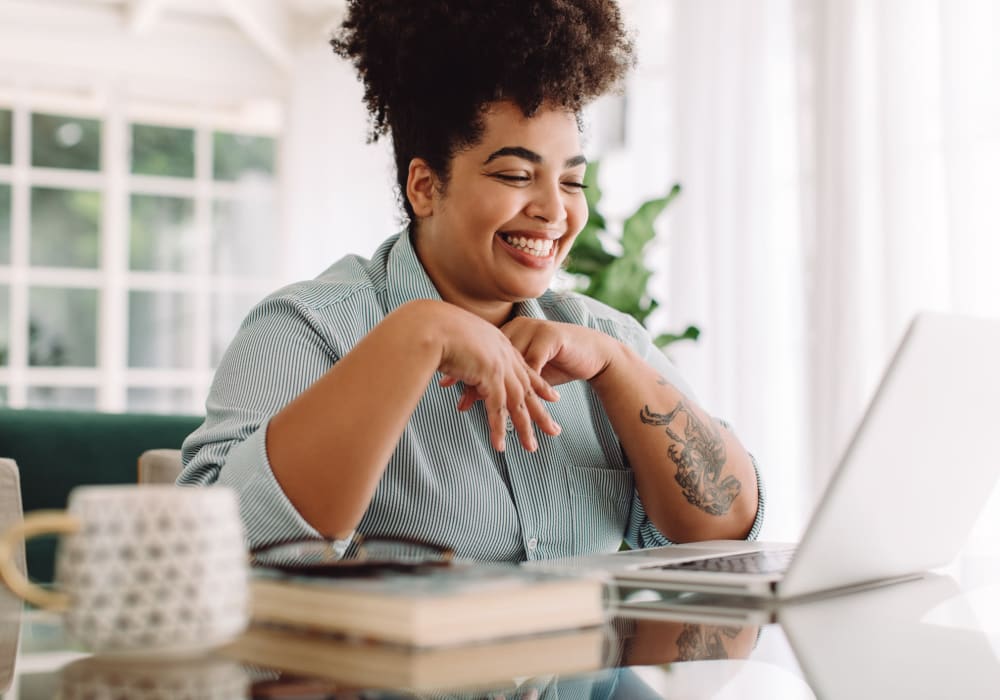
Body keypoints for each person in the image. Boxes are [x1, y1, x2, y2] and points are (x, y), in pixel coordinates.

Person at [179, 0, 764, 561]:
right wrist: (416, 335)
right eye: (515, 174)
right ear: (425, 187)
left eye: (571, 182)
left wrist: (619, 371)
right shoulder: (305, 331)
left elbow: (725, 534)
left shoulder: (603, 340)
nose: (554, 211)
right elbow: (211, 553)